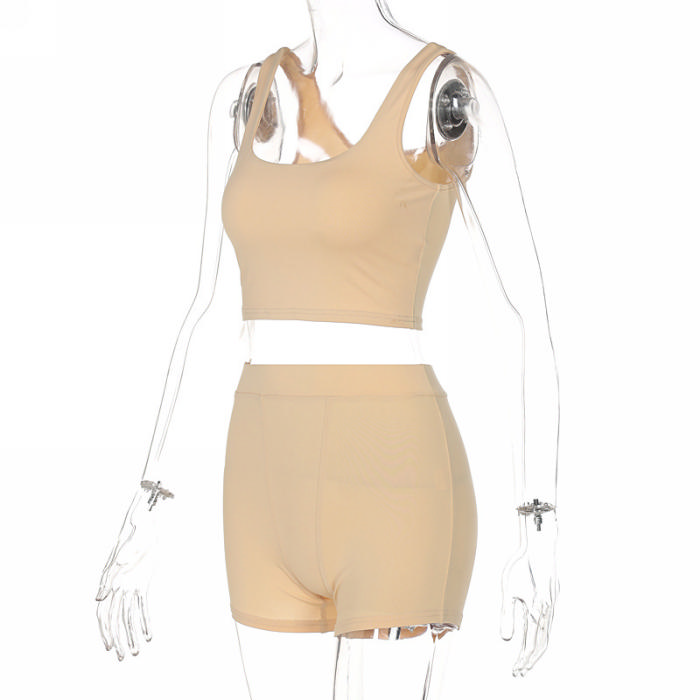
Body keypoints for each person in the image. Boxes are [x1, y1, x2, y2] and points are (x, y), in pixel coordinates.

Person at [95, 0, 560, 691]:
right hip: (261, 488)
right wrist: (148, 504)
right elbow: (206, 310)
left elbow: (522, 316)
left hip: (394, 478)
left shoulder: (441, 93)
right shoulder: (242, 101)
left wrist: (538, 527)